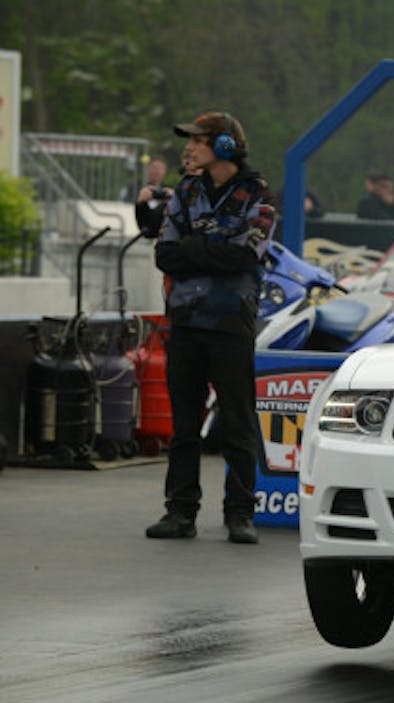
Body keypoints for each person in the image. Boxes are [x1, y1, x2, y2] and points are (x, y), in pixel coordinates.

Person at [145, 111, 275, 545]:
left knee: (238, 423)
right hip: (184, 322)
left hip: (231, 324)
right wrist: (213, 246)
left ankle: (240, 514)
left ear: (223, 146)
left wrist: (194, 247)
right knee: (185, 425)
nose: (191, 148)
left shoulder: (257, 194)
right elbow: (166, 254)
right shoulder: (185, 190)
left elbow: (245, 257)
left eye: (199, 140)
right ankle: (180, 512)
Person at [133, 156, 173, 236]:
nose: (157, 171)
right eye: (154, 167)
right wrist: (141, 202)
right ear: (148, 169)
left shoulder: (168, 190)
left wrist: (172, 199)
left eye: (160, 168)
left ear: (165, 171)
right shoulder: (135, 187)